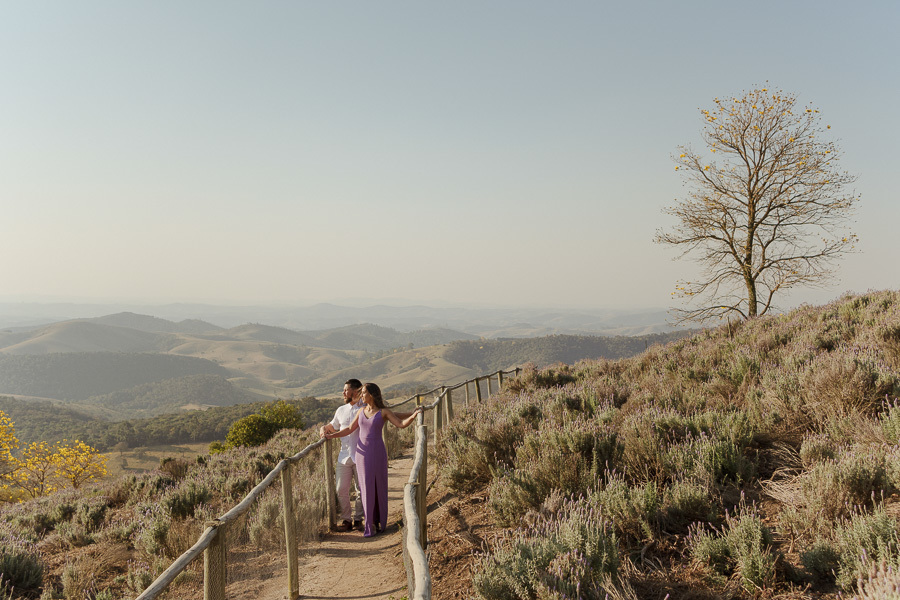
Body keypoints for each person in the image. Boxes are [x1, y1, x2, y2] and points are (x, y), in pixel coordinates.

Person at [326, 382, 422, 537]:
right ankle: (369, 523)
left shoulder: (383, 412)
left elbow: (401, 424)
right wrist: (331, 435)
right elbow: (349, 429)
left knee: (378, 486)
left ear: (371, 395)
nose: (361, 395)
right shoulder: (361, 411)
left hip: (377, 453)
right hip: (361, 455)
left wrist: (413, 416)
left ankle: (378, 521)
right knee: (365, 489)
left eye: (363, 393)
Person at [319, 379, 365, 531]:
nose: (343, 393)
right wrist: (323, 428)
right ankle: (346, 520)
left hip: (361, 454)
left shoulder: (365, 408)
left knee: (361, 489)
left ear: (355, 391)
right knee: (341, 489)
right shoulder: (340, 410)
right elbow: (333, 426)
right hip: (343, 456)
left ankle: (358, 519)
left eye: (346, 390)